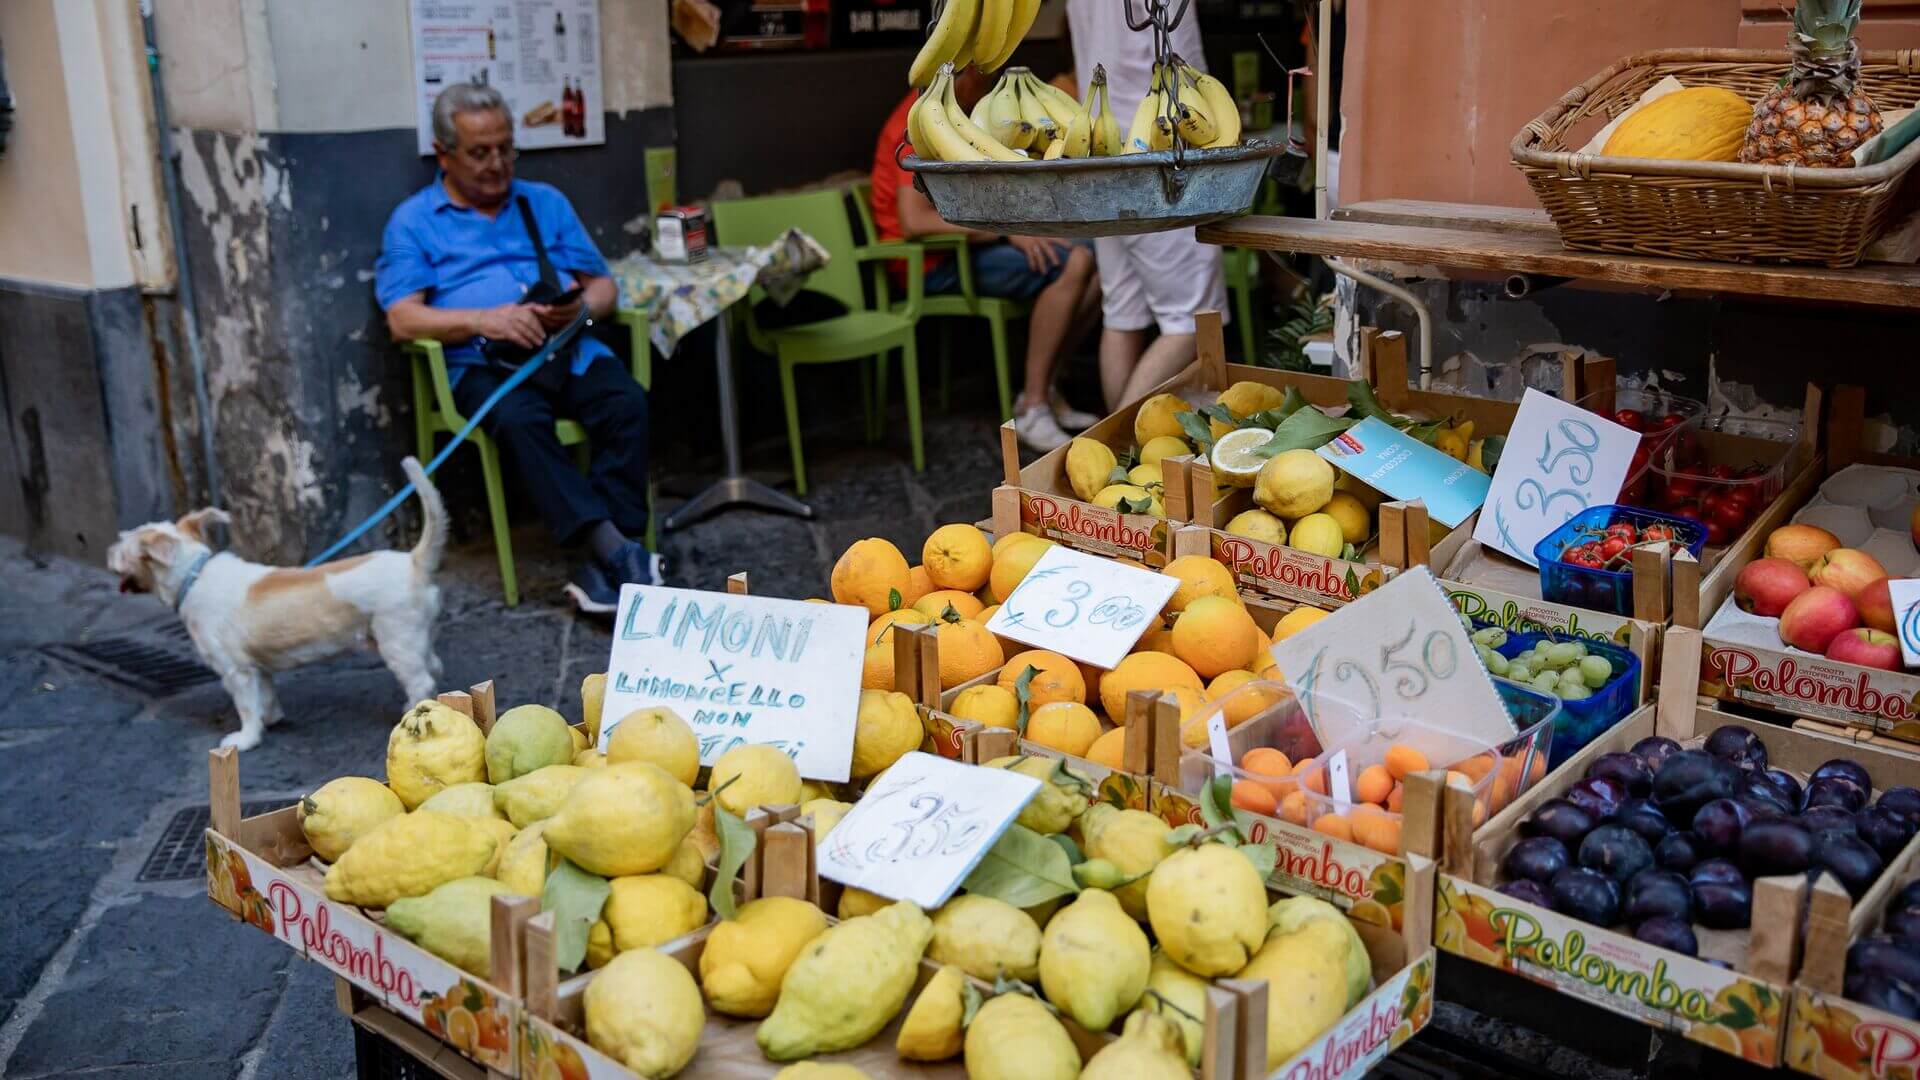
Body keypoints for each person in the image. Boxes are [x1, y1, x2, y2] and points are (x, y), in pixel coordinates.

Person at [376, 82, 663, 616]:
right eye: (480, 152)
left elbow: (602, 284)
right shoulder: (412, 222)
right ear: (443, 153)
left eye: (506, 149)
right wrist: (486, 319)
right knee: (521, 421)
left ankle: (611, 554)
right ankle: (619, 554)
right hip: (483, 364)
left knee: (626, 402)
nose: (497, 164)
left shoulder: (544, 203)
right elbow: (402, 317)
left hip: (564, 351)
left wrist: (575, 312)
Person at [870, 66, 1103, 452]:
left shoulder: (960, 115)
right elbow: (914, 222)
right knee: (1074, 263)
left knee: (1094, 261)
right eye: (983, 76)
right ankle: (1032, 406)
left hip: (970, 247)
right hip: (929, 263)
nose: (991, 87)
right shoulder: (917, 122)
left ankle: (1046, 385)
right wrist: (1004, 232)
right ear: (957, 76)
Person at [1065, 0, 1230, 411]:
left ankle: (1114, 454)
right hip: (1159, 148)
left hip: (1102, 146)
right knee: (1193, 321)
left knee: (1123, 313)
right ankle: (1110, 444)